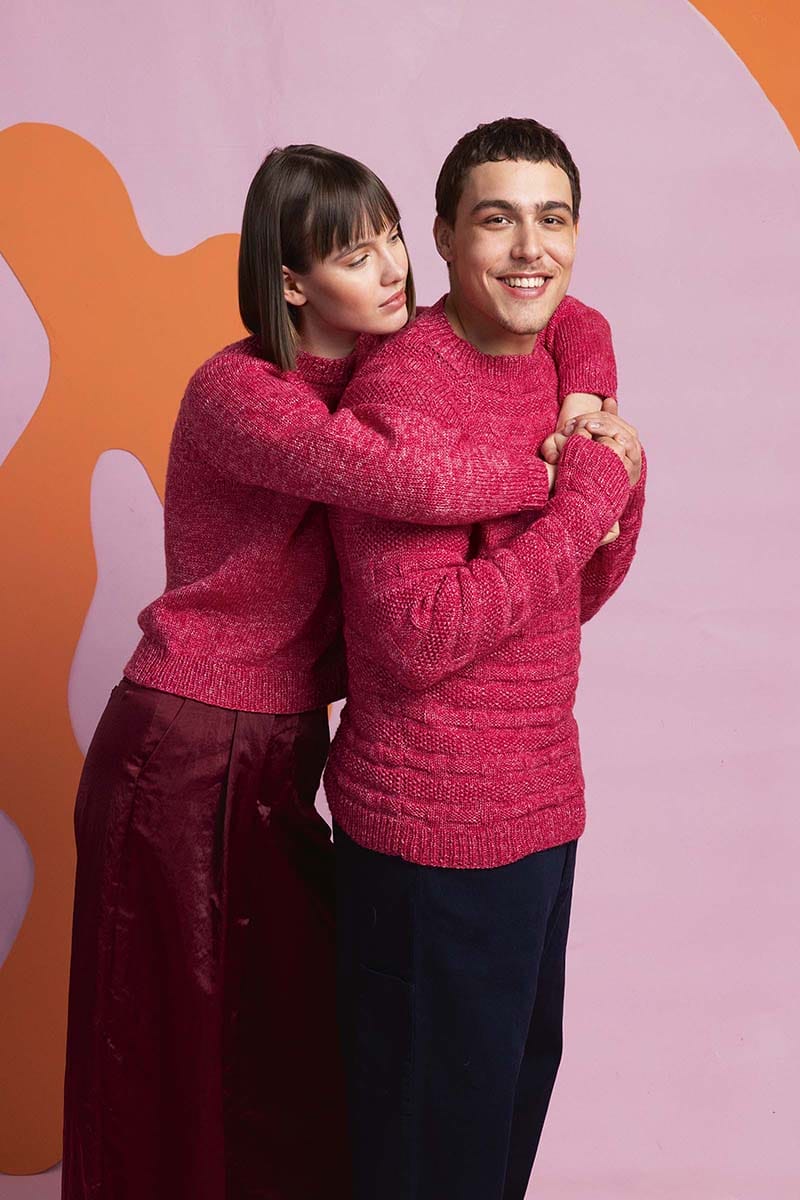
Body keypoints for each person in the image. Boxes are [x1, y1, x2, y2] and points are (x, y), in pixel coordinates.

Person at [61, 142, 618, 1200]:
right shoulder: (243, 394)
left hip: (283, 741)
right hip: (187, 742)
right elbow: (403, 477)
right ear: (290, 283)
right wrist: (572, 482)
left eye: (392, 239)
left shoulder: (376, 359)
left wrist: (582, 398)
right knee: (170, 1052)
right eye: (355, 256)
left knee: (289, 1054)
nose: (393, 270)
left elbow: (566, 315)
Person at [324, 117, 647, 1200]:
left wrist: (610, 471)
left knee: (500, 1124)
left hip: (539, 807)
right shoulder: (405, 391)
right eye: (496, 219)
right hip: (430, 826)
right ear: (443, 237)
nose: (528, 247)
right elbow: (417, 636)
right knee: (431, 1151)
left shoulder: (560, 359)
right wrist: (587, 499)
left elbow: (574, 594)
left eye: (552, 219)